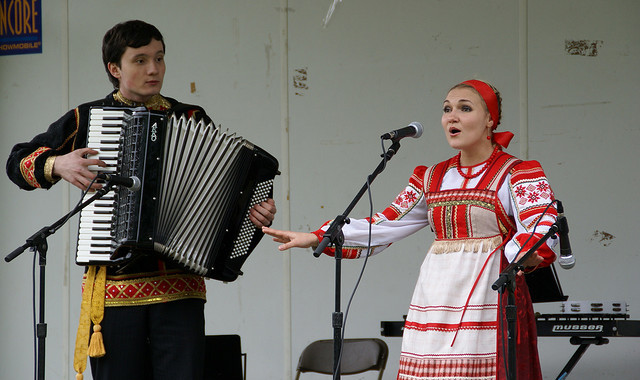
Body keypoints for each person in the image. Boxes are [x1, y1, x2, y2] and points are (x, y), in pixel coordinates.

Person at [6, 20, 277, 380]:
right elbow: (17, 162)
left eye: (160, 58)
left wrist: (255, 212)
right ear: (114, 69)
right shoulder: (88, 118)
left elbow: (230, 190)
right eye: (141, 60)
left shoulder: (191, 118)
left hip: (181, 290)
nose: (154, 69)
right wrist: (58, 163)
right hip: (115, 291)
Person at [263, 79, 557, 380]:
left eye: (464, 108)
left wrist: (520, 254)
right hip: (435, 297)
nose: (451, 117)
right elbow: (387, 222)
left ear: (490, 120)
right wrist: (317, 236)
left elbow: (541, 229)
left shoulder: (518, 172)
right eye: (446, 109)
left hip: (489, 295)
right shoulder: (431, 178)